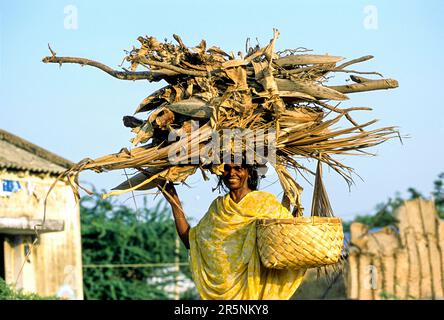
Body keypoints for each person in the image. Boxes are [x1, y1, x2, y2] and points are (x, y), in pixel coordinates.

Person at [159, 163, 306, 300]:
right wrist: (174, 203)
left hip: (257, 289)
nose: (232, 173)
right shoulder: (218, 207)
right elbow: (191, 241)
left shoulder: (265, 203)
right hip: (222, 294)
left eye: (238, 168)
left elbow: (291, 237)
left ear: (249, 173)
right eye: (227, 169)